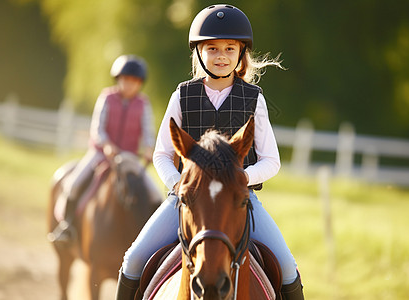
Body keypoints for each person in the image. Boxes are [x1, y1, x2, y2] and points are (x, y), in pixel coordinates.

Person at [115, 4, 304, 300]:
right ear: (199, 53)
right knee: (134, 260)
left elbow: (272, 161)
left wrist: (240, 178)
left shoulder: (254, 99)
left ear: (241, 53)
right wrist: (178, 185)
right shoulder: (182, 94)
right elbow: (162, 153)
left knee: (288, 269)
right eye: (213, 48)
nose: (221, 55)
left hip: (240, 202)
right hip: (187, 200)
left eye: (230, 48)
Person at [48, 54, 158, 245]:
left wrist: (149, 147)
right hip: (100, 154)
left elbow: (148, 131)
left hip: (128, 158)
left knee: (156, 195)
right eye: (125, 80)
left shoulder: (143, 104)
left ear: (140, 83)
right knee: (73, 184)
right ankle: (66, 226)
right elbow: (97, 128)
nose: (129, 85)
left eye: (134, 81)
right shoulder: (107, 97)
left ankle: (153, 238)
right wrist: (106, 145)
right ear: (118, 79)